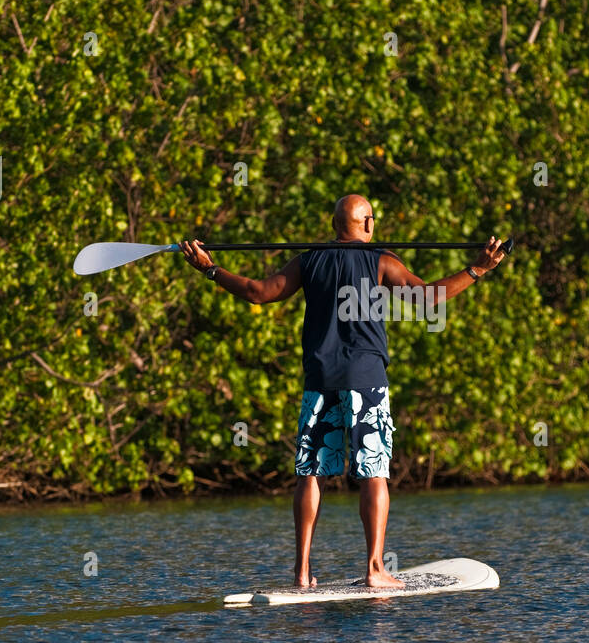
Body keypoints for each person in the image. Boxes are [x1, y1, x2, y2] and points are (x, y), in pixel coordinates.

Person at [179, 195, 507, 587]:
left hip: (319, 379)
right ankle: (374, 570)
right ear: (366, 224)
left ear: (336, 225)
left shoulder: (309, 260)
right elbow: (428, 299)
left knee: (311, 472)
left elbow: (257, 292)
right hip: (365, 379)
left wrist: (211, 269)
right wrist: (478, 269)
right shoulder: (382, 260)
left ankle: (302, 572)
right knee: (374, 472)